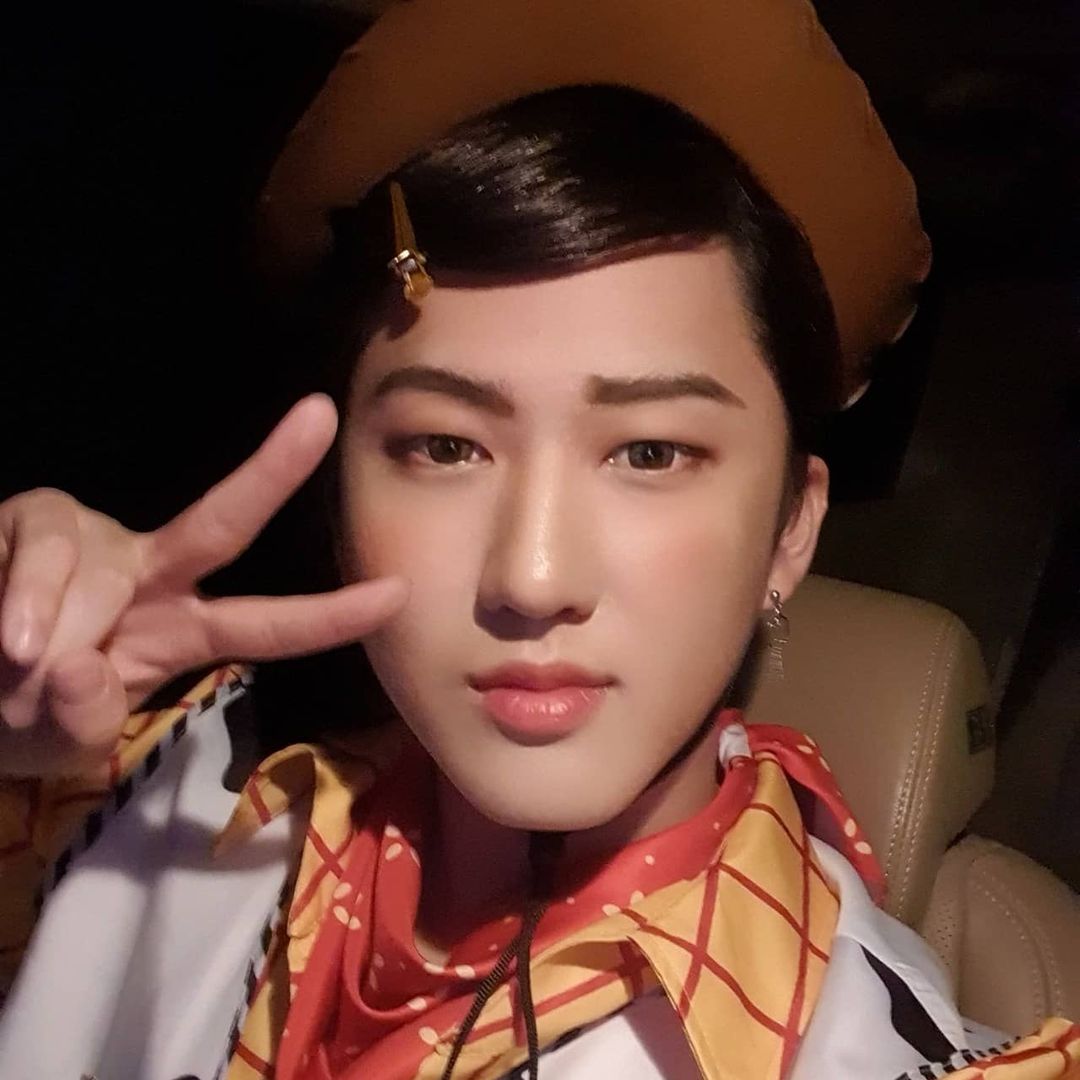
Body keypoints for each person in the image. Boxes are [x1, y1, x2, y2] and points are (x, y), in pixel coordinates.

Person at [0, 1, 1077, 1078]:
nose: (533, 576)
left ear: (792, 528)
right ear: (340, 499)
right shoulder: (153, 800)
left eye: (651, 452)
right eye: (444, 447)